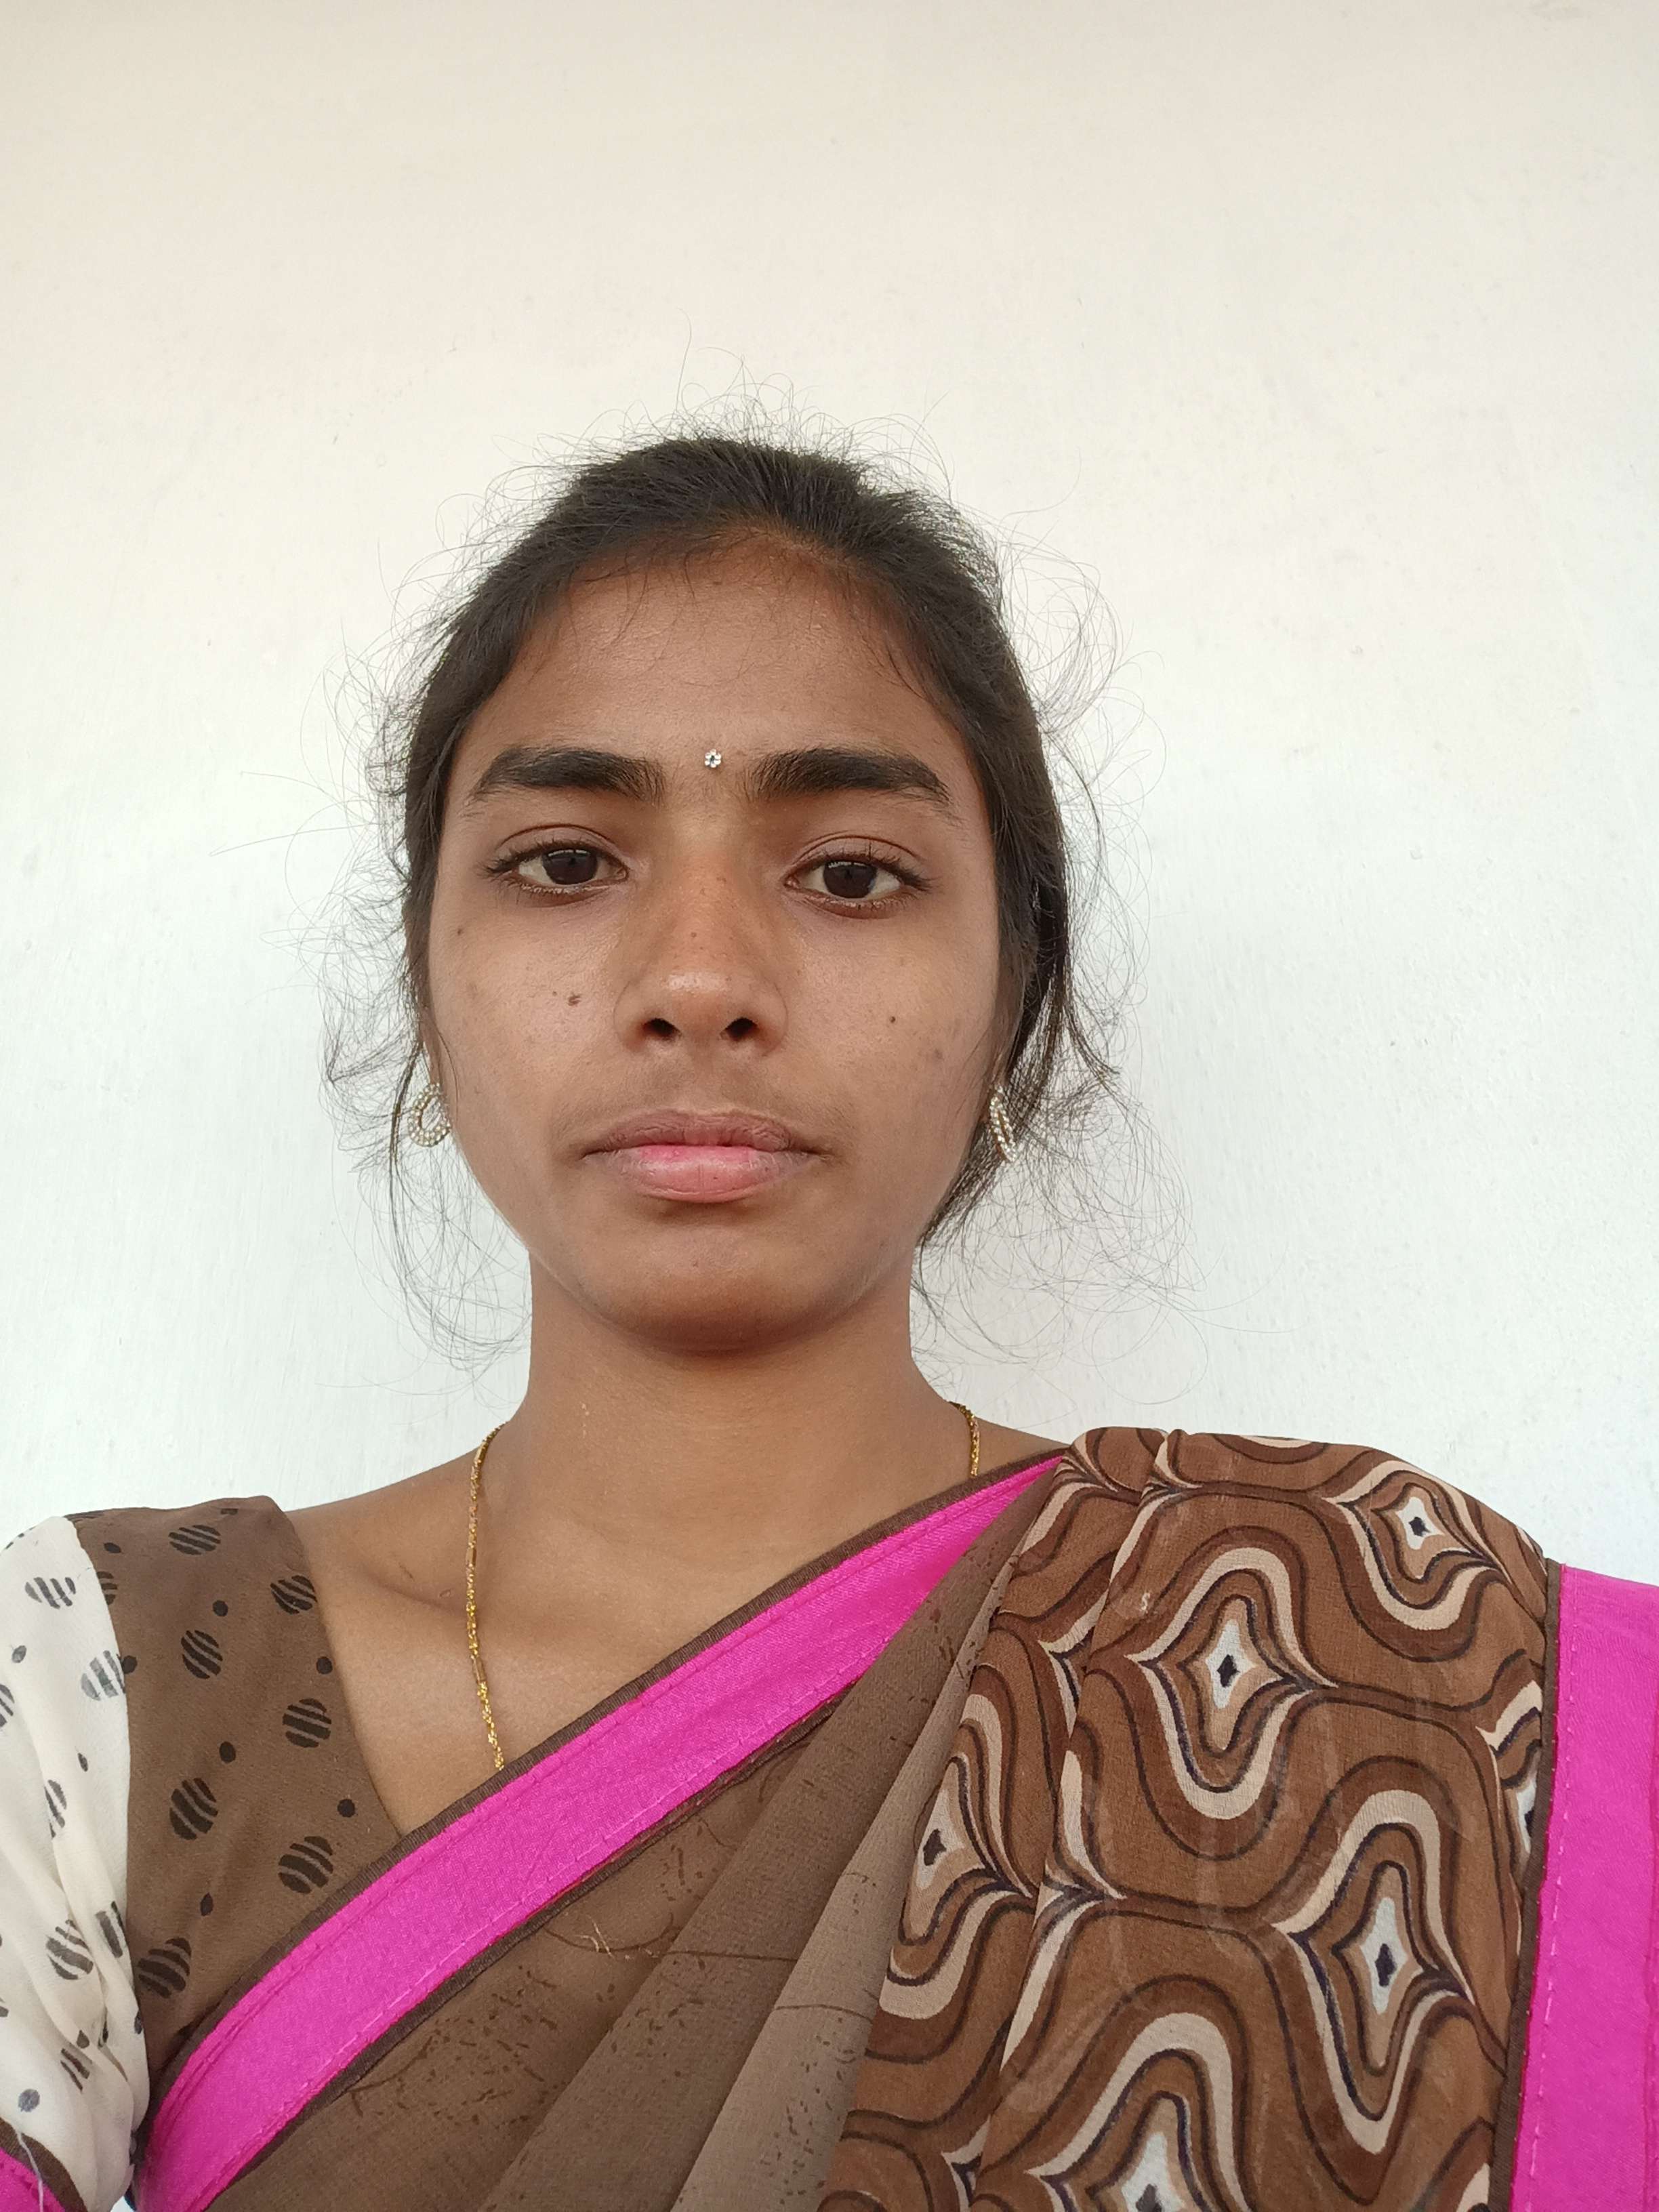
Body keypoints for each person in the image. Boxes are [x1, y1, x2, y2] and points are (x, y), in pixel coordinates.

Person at [1, 430, 1653, 2212]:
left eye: (851, 874)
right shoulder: (110, 1688)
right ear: (426, 978)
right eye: (565, 861)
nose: (699, 981)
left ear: (1014, 990)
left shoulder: (1396, 1667)